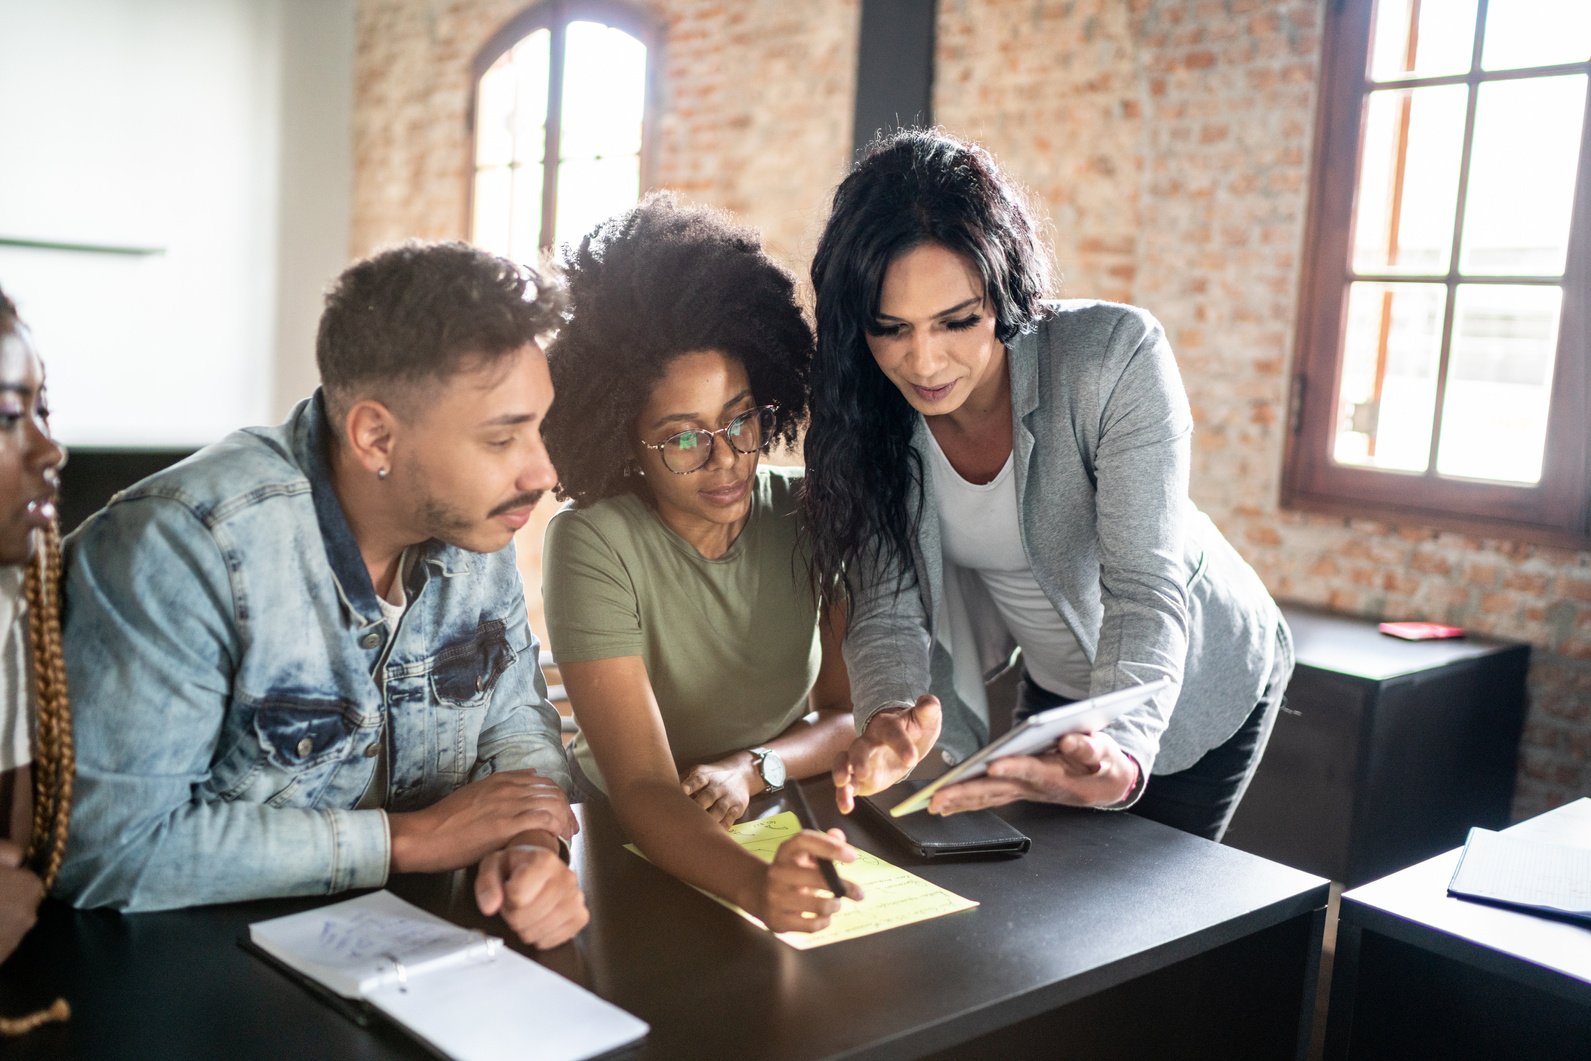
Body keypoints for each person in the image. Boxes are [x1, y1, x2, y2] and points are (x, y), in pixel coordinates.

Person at [55, 244, 588, 947]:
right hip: (191, 967)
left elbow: (515, 724)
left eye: (539, 427)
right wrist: (409, 840)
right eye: (502, 438)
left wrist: (527, 842)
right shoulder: (181, 545)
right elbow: (110, 850)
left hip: (420, 957)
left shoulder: (474, 522)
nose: (542, 471)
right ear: (375, 436)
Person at [806, 129, 1291, 842]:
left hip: (1185, 685)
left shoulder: (1112, 358)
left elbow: (1141, 585)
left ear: (1002, 291)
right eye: (890, 329)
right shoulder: (869, 410)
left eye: (956, 321)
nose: (923, 360)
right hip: (1059, 697)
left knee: (1155, 925)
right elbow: (885, 608)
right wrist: (890, 717)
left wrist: (1122, 745)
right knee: (1048, 908)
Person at [540, 194, 862, 932]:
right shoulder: (593, 540)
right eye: (682, 438)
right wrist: (756, 889)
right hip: (624, 836)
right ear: (624, 440)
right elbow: (646, 787)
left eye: (741, 419)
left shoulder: (808, 512)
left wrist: (752, 768)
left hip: (774, 813)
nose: (725, 459)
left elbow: (845, 715)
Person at [0, 287, 73, 1036]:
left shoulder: (21, 602)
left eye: (41, 411)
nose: (50, 449)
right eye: (6, 415)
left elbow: (19, 863)